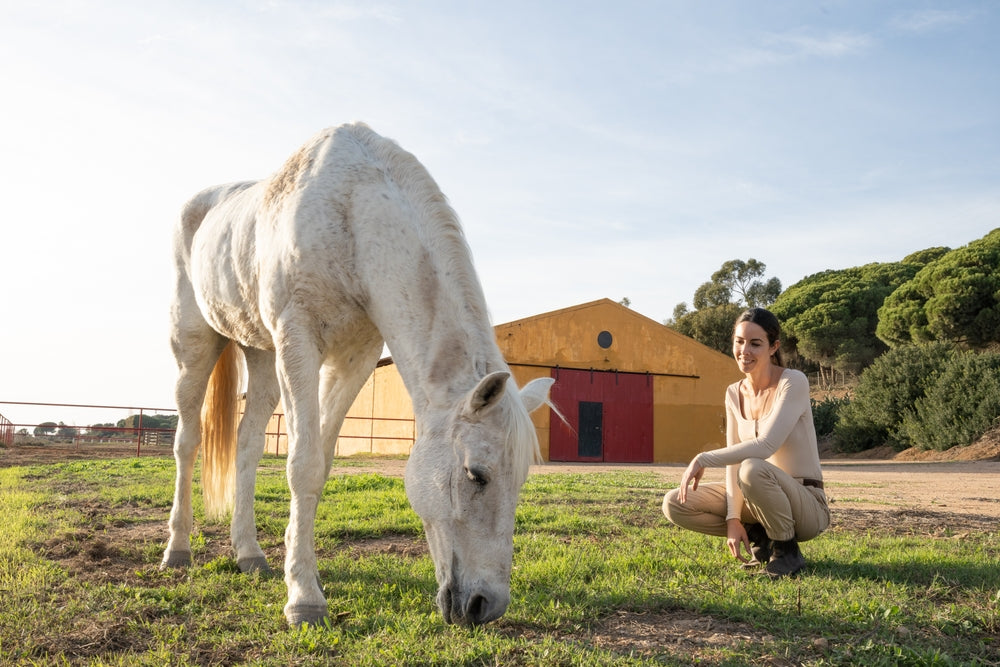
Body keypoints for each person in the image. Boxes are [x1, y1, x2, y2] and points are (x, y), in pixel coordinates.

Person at [662, 307, 830, 577]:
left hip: (806, 504)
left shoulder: (793, 382)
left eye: (755, 343)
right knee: (675, 503)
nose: (745, 350)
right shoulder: (733, 392)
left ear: (773, 347)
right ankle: (763, 538)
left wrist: (703, 457)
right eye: (739, 342)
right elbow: (734, 462)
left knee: (751, 467)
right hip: (759, 497)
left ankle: (787, 551)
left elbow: (766, 446)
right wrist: (733, 518)